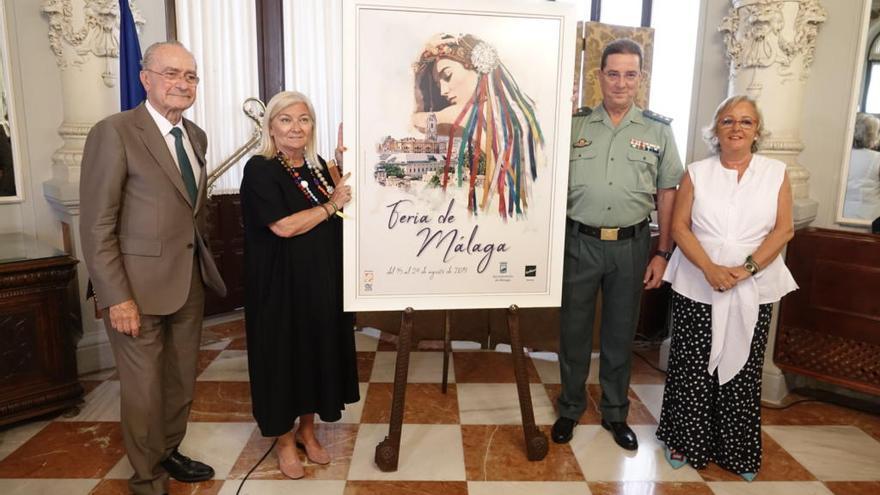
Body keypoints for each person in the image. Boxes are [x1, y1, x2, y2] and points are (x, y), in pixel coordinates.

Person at [80, 41, 226, 495]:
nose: (182, 83)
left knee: (180, 381)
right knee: (143, 391)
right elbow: (96, 224)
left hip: (188, 283)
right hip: (134, 293)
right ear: (146, 78)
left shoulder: (196, 136)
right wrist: (115, 295)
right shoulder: (115, 132)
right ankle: (146, 478)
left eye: (191, 76)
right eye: (171, 73)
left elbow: (190, 209)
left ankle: (169, 450)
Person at [657, 95, 798, 481]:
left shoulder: (775, 172)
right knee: (692, 365)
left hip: (755, 285)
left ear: (757, 131)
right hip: (697, 283)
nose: (737, 128)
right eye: (728, 121)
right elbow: (680, 225)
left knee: (743, 368)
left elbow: (783, 228)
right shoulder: (697, 172)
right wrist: (710, 269)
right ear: (715, 130)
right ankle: (684, 441)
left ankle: (735, 450)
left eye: (747, 122)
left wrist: (745, 269)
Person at [552, 39, 683, 450]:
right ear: (599, 76)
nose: (621, 83)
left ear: (640, 79)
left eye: (630, 74)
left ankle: (614, 412)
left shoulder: (658, 130)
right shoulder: (573, 125)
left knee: (620, 333)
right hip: (579, 242)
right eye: (613, 73)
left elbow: (668, 193)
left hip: (631, 245)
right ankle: (570, 407)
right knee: (573, 331)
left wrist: (662, 254)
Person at [239, 91, 359, 479]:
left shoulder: (320, 167)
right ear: (271, 127)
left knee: (316, 354)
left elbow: (348, 206)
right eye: (286, 119)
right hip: (279, 288)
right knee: (282, 360)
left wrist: (345, 163)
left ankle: (308, 430)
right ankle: (285, 440)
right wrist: (329, 205)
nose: (296, 127)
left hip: (321, 283)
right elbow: (284, 226)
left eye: (304, 119)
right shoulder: (260, 169)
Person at [412, 32, 546, 219]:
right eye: (437, 83)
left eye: (447, 75)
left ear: (476, 68)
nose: (443, 91)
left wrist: (421, 57)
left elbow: (416, 120)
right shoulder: (516, 109)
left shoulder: (470, 113)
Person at [844, 113, 880, 220]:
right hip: (871, 216)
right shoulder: (877, 158)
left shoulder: (842, 155)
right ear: (872, 135)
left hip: (843, 212)